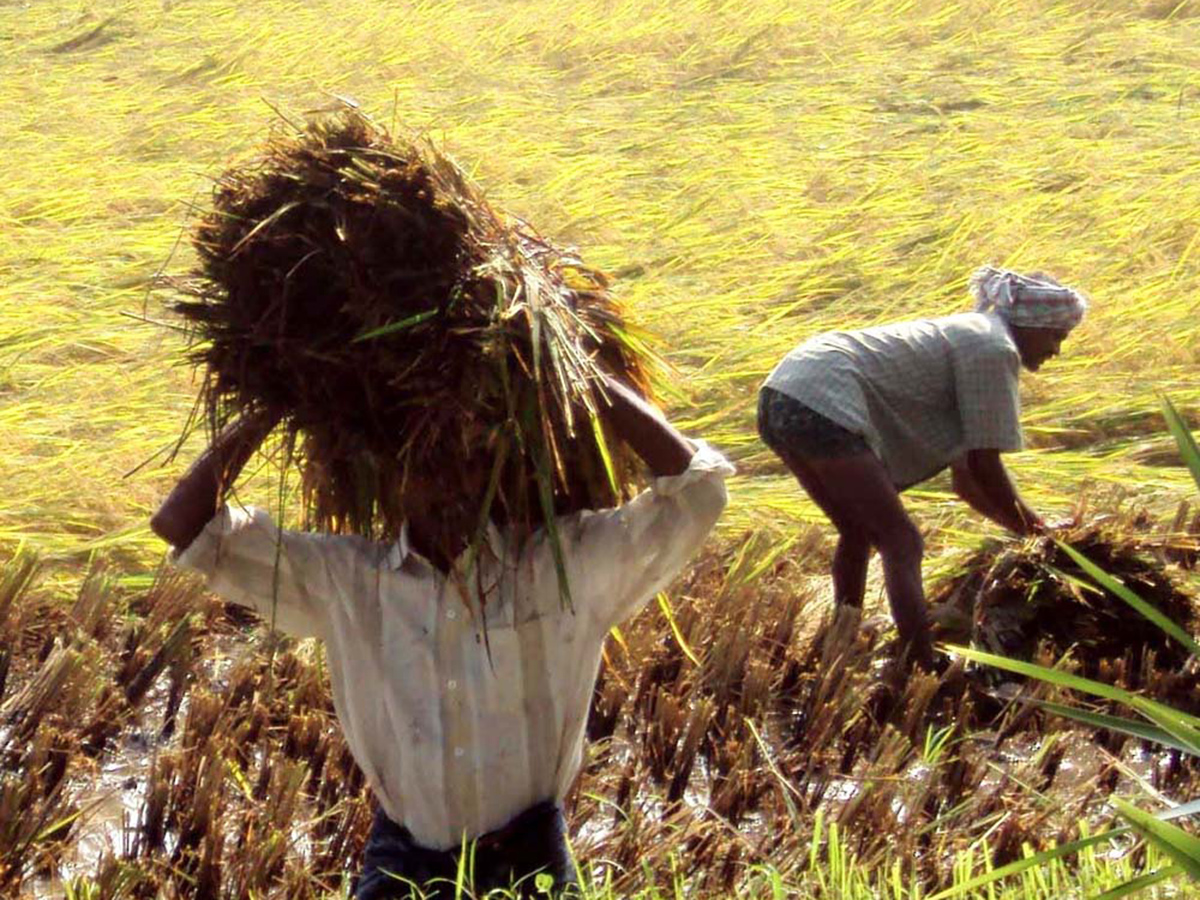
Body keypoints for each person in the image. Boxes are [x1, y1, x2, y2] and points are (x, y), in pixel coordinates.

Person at [150, 374, 733, 899]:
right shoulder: (346, 580)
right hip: (404, 859)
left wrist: (583, 375)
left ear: (497, 467)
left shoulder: (561, 566)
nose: (449, 481)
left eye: (469, 459)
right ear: (389, 479)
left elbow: (699, 493)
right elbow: (183, 526)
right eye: (423, 463)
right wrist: (272, 401)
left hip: (527, 860)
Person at [757, 266, 1088, 667]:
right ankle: (921, 660)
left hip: (783, 394)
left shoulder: (976, 334)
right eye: (1056, 336)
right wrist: (1039, 533)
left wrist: (1022, 532)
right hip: (820, 397)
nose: (1056, 350)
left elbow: (966, 481)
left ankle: (840, 642)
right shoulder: (994, 348)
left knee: (857, 531)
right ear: (1030, 324)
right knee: (902, 541)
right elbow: (986, 467)